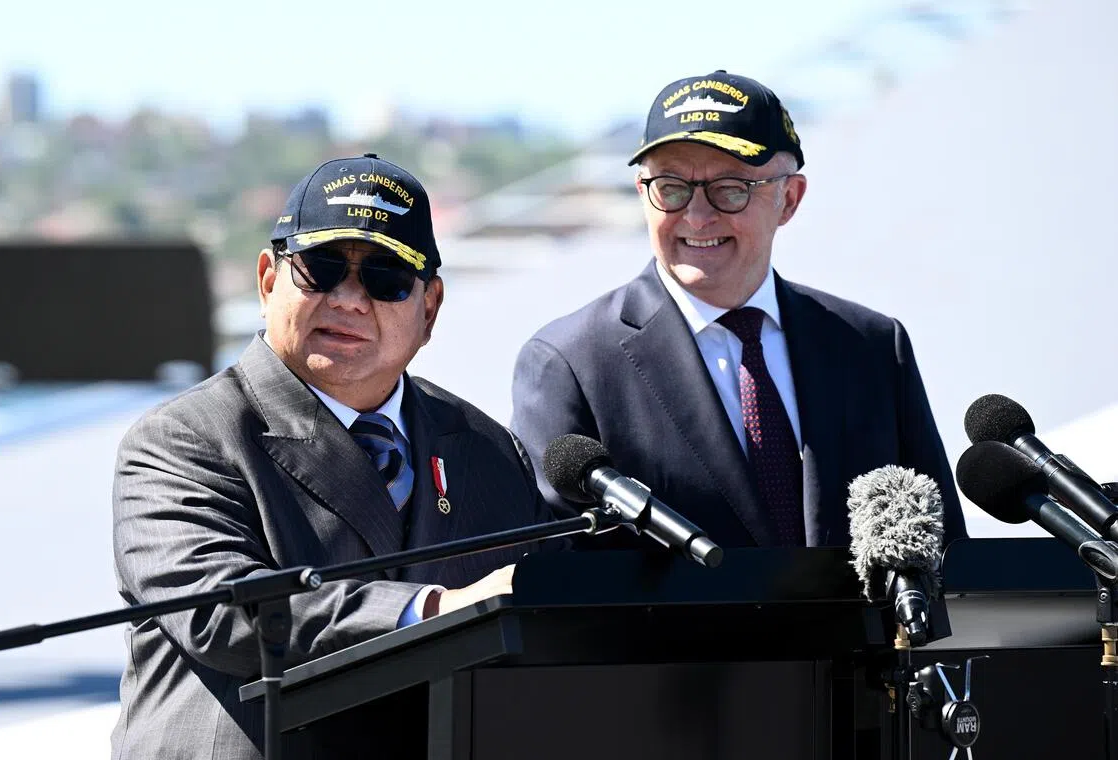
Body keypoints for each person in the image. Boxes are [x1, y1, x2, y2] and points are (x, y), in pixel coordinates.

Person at [112, 154, 553, 759]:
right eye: (320, 268)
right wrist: (435, 610)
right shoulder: (182, 440)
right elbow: (225, 614)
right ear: (268, 280)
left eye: (386, 278)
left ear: (430, 308)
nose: (348, 299)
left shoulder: (486, 449)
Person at [511, 70, 967, 549]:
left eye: (730, 188)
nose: (697, 216)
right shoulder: (570, 363)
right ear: (641, 192)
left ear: (788, 199)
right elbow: (553, 574)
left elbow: (943, 554)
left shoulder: (870, 346)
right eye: (671, 187)